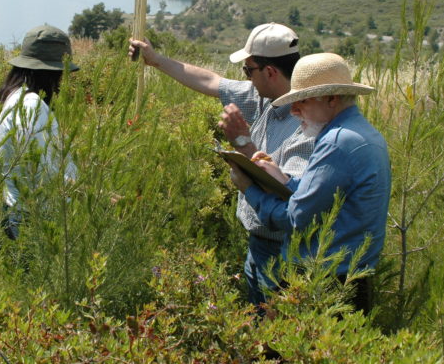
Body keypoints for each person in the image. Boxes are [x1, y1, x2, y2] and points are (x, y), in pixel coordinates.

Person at [129, 23, 314, 305]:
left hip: (284, 254)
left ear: (270, 72)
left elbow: (289, 197)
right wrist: (156, 61)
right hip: (260, 245)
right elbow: (211, 82)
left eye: (248, 70)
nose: (246, 78)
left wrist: (244, 145)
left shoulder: (307, 125)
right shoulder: (266, 97)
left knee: (276, 340)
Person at [230, 53, 391, 314]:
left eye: (301, 101)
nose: (294, 111)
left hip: (322, 284)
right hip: (348, 279)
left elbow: (294, 219)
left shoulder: (337, 141)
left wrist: (248, 188)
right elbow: (322, 198)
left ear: (331, 98)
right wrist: (281, 178)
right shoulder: (360, 133)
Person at [0, 25, 79, 240]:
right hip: (33, 220)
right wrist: (95, 194)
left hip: (24, 213)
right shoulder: (30, 105)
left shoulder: (18, 97)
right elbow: (45, 171)